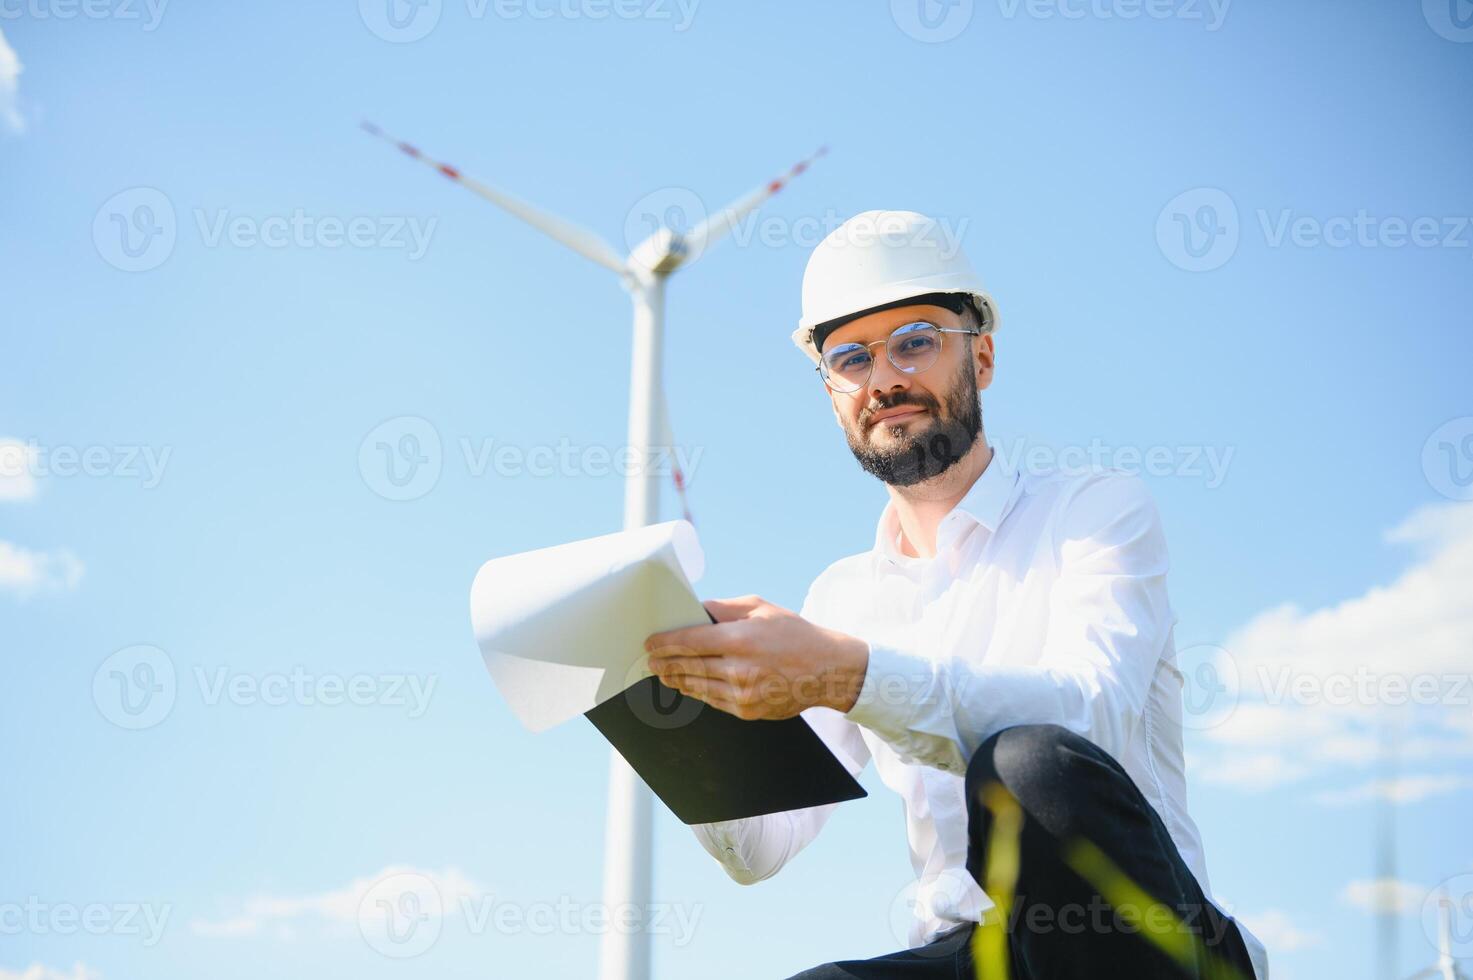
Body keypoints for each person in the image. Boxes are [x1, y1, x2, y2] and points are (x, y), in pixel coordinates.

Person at [643, 210, 1267, 979]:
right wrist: (683, 720)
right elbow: (760, 851)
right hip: (967, 951)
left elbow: (1090, 716)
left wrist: (846, 675)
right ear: (832, 394)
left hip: (1138, 934)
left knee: (1027, 762)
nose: (884, 379)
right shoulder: (841, 596)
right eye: (850, 359)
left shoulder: (1094, 512)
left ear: (984, 357)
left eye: (914, 342)